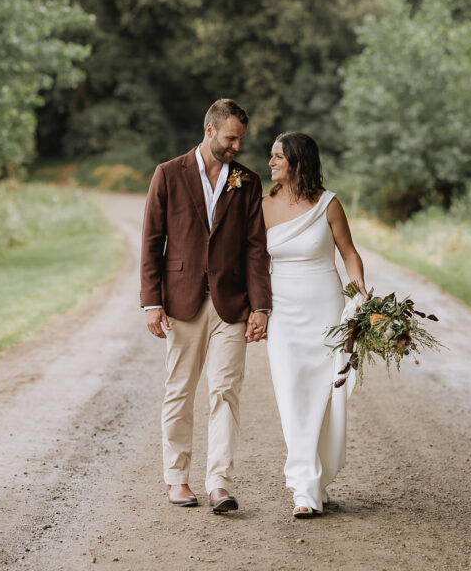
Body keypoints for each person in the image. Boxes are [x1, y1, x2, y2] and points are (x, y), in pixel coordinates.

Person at [140, 98, 271, 513]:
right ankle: (177, 479)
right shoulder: (168, 173)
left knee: (225, 391)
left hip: (232, 304)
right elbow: (151, 240)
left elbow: (256, 249)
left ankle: (219, 483)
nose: (236, 147)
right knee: (179, 391)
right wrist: (151, 301)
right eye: (231, 138)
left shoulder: (247, 182)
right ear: (210, 130)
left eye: (241, 140)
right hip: (182, 302)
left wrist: (261, 306)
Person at [261, 131, 366, 518]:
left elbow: (349, 254)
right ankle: (303, 489)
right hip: (284, 314)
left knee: (323, 397)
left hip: (325, 310)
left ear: (297, 161)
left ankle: (316, 483)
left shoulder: (329, 204)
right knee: (292, 395)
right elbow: (259, 265)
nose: (270, 163)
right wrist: (257, 309)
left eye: (277, 157)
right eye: (270, 156)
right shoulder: (264, 206)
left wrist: (362, 295)